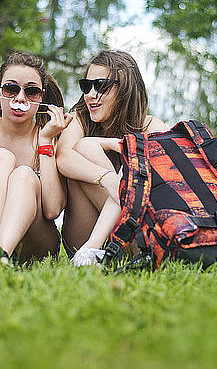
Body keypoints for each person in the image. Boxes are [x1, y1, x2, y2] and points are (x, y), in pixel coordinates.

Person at [0, 52, 72, 265]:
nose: (20, 98)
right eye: (11, 89)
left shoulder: (52, 139)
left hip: (34, 243)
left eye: (31, 91)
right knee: (0, 157)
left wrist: (45, 140)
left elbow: (53, 209)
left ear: (42, 97)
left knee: (23, 175)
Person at [56, 50, 168, 266]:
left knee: (131, 162)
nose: (90, 94)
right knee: (84, 148)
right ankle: (89, 250)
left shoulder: (151, 126)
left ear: (126, 89)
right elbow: (64, 157)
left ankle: (94, 251)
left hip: (136, 233)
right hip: (81, 234)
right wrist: (108, 179)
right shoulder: (81, 117)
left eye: (101, 86)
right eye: (86, 86)